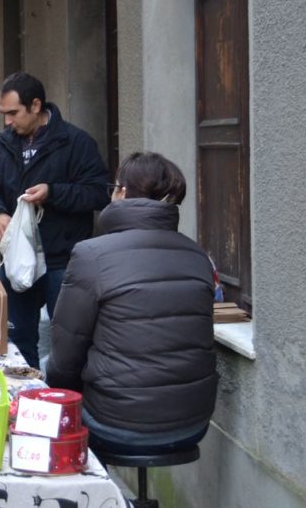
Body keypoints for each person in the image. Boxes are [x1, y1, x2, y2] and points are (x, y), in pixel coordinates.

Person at [47, 152, 218, 454]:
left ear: (122, 193)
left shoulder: (91, 255)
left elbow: (65, 355)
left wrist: (65, 395)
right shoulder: (198, 256)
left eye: (114, 186)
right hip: (193, 422)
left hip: (117, 423)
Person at [0, 72, 109, 367]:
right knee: (16, 340)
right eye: (4, 114)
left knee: (70, 344)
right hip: (15, 258)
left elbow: (98, 193)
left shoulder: (75, 142)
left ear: (36, 106)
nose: (7, 121)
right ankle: (25, 401)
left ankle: (64, 405)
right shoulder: (4, 144)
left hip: (63, 260)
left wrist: (53, 192)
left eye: (13, 113)